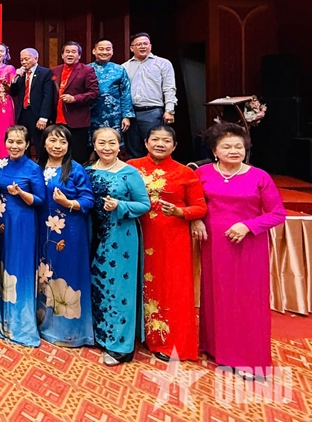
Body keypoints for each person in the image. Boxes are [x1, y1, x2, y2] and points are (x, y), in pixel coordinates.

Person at [195, 122, 286, 377]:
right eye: (227, 146)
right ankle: (216, 348)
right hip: (213, 245)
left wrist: (248, 225)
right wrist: (196, 220)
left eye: (239, 146)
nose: (234, 151)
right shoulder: (202, 173)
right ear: (215, 150)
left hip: (248, 247)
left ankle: (248, 359)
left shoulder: (259, 176)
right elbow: (193, 202)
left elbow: (278, 213)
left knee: (247, 301)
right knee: (216, 296)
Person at [127, 125, 206, 361]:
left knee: (171, 287)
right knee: (138, 283)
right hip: (137, 234)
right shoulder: (131, 167)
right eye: (155, 139)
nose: (160, 144)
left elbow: (200, 207)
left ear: (174, 146)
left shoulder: (185, 173)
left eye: (166, 141)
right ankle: (138, 335)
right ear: (146, 142)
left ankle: (169, 341)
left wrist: (181, 212)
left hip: (172, 239)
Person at [87, 127, 150, 365]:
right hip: (93, 234)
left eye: (112, 143)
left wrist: (120, 206)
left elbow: (144, 205)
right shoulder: (87, 171)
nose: (107, 148)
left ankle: (120, 347)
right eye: (102, 143)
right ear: (94, 145)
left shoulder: (129, 173)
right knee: (97, 284)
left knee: (119, 289)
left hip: (120, 236)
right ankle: (101, 335)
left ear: (119, 145)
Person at [0, 125, 45, 347]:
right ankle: (0, 317)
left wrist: (21, 193)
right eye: (11, 141)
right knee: (2, 266)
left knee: (19, 267)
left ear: (27, 145)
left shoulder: (33, 168)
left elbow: (40, 200)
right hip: (1, 223)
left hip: (23, 224)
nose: (14, 146)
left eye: (19, 142)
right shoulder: (0, 164)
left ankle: (19, 323)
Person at [36, 124, 95, 347]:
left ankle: (69, 331)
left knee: (68, 274)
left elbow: (88, 200)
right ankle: (43, 321)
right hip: (42, 231)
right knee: (45, 273)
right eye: (52, 140)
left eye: (63, 142)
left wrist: (67, 202)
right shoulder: (37, 168)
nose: (57, 146)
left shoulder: (76, 170)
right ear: (44, 143)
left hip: (69, 233)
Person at [122, 33, 177, 159]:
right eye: (138, 44)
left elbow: (169, 88)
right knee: (133, 150)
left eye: (145, 44)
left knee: (155, 147)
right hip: (131, 114)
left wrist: (169, 110)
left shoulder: (163, 63)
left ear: (150, 46)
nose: (142, 46)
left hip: (152, 112)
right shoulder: (124, 67)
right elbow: (122, 93)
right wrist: (125, 114)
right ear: (131, 48)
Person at [50, 42, 99, 164]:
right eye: (67, 52)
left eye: (73, 52)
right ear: (62, 55)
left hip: (77, 120)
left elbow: (94, 93)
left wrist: (75, 98)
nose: (70, 54)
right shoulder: (54, 71)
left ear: (79, 55)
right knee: (59, 154)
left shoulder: (87, 70)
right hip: (57, 119)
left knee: (78, 156)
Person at [9, 48, 54, 159]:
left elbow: (48, 96)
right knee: (24, 141)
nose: (24, 62)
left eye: (27, 59)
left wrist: (43, 117)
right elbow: (13, 93)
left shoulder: (45, 73)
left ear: (36, 58)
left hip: (37, 114)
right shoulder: (21, 74)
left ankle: (42, 165)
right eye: (22, 60)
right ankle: (24, 164)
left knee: (39, 143)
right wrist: (15, 78)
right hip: (23, 113)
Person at [88, 39, 134, 145]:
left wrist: (126, 116)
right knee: (92, 144)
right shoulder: (86, 69)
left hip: (114, 115)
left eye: (108, 49)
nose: (104, 52)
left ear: (112, 51)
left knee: (113, 142)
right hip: (91, 113)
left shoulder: (119, 69)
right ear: (94, 51)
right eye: (101, 49)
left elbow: (125, 93)